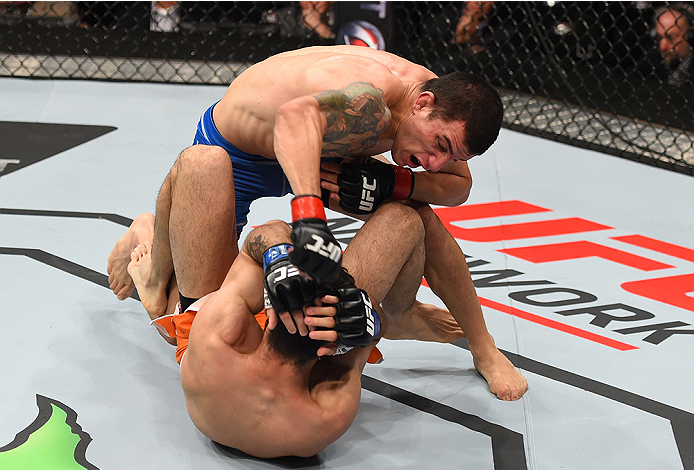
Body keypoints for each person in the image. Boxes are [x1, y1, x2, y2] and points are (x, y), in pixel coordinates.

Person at [106, 44, 527, 401]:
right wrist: (310, 216)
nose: (435, 162)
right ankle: (151, 240)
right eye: (439, 146)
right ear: (423, 105)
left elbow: (457, 187)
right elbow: (294, 120)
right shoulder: (369, 104)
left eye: (450, 155)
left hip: (325, 151)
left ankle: (480, 346)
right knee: (198, 326)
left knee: (417, 213)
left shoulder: (439, 100)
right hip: (240, 155)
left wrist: (395, 180)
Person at [115, 199, 466, 458]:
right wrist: (369, 318)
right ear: (330, 349)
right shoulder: (324, 416)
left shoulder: (216, 339)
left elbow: (265, 234)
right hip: (276, 386)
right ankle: (154, 282)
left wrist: (279, 259)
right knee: (406, 220)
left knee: (194, 311)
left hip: (214, 371)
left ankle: (150, 254)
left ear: (269, 310)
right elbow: (367, 336)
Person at [653, 3, 693, 88]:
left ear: (690, 36)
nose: (662, 46)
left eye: (671, 37)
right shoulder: (651, 62)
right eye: (659, 37)